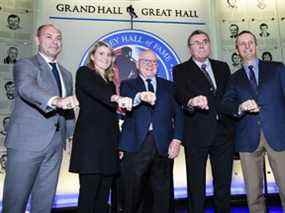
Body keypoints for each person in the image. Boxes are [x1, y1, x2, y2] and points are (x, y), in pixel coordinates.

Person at [2, 24, 78, 213]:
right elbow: (26, 88)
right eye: (49, 36)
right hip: (25, 144)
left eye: (58, 38)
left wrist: (71, 135)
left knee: (44, 203)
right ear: (37, 40)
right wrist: (55, 101)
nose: (55, 41)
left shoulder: (66, 74)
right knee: (15, 202)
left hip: (54, 146)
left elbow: (68, 110)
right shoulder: (25, 65)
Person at [221, 30, 285, 212]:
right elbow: (225, 104)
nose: (247, 46)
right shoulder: (233, 78)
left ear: (256, 45)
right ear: (237, 49)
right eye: (242, 43)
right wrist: (240, 107)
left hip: (279, 135)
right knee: (253, 194)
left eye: (250, 42)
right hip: (247, 139)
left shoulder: (278, 68)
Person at [173, 30, 234, 213]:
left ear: (209, 44)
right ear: (190, 48)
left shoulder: (222, 67)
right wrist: (191, 102)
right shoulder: (180, 70)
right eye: (196, 42)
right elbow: (181, 96)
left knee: (223, 184)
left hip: (223, 134)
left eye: (205, 41)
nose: (201, 45)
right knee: (196, 185)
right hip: (196, 135)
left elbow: (229, 97)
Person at [69, 41, 132, 213]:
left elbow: (111, 117)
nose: (105, 58)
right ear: (92, 56)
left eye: (109, 55)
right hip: (90, 145)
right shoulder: (84, 73)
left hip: (109, 145)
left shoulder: (110, 81)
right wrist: (116, 98)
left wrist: (119, 143)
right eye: (101, 54)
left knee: (103, 197)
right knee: (88, 195)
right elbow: (96, 92)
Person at [119, 49, 183, 213]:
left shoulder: (169, 86)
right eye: (146, 61)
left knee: (162, 197)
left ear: (158, 66)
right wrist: (141, 96)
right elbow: (129, 104)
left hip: (163, 146)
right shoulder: (127, 85)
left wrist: (176, 140)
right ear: (138, 64)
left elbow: (179, 115)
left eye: (153, 62)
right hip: (135, 146)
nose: (150, 65)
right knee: (133, 195)